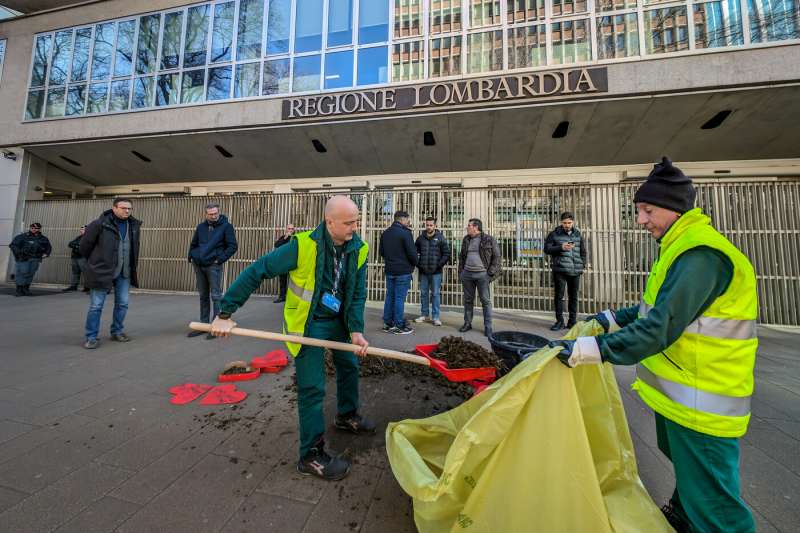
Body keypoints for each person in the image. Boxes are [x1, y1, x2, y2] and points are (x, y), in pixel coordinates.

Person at [548, 158, 757, 533]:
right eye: (638, 211)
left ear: (675, 209)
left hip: (702, 403)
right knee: (695, 483)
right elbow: (652, 308)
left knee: (717, 507)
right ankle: (684, 516)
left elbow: (661, 327)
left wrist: (591, 351)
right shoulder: (678, 247)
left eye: (647, 211)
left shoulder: (701, 256)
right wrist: (609, 319)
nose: (641, 220)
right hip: (686, 396)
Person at [211, 196, 374, 481]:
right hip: (308, 325)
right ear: (329, 221)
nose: (355, 227)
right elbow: (257, 270)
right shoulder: (301, 246)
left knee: (349, 365)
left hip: (339, 322)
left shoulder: (359, 249)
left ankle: (346, 415)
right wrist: (225, 313)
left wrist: (356, 330)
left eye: (356, 221)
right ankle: (310, 455)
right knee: (312, 388)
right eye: (349, 222)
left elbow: (357, 293)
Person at [80, 198, 142, 350]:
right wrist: (95, 263)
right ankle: (91, 337)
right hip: (102, 271)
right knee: (96, 306)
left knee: (122, 304)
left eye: (129, 208)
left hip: (124, 272)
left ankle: (117, 331)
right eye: (123, 208)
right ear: (114, 208)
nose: (127, 211)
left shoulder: (133, 225)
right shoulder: (99, 224)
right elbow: (84, 247)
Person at [187, 203, 238, 339]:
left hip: (213, 265)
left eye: (216, 213)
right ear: (206, 214)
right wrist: (192, 256)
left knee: (216, 296)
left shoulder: (226, 227)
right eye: (211, 214)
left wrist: (219, 260)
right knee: (203, 295)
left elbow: (233, 246)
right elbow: (194, 243)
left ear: (219, 212)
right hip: (199, 265)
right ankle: (204, 325)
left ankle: (216, 327)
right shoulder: (201, 227)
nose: (214, 216)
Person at [458, 218, 502, 337]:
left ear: (476, 227)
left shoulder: (488, 239)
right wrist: (461, 272)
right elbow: (461, 256)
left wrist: (489, 274)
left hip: (482, 275)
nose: (467, 227)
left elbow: (497, 257)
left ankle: (488, 327)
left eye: (469, 225)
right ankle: (467, 323)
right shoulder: (466, 239)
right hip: (467, 274)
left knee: (485, 301)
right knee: (468, 300)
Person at [544, 211, 587, 331]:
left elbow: (583, 252)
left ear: (573, 222)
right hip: (560, 270)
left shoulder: (577, 234)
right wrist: (561, 247)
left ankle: (572, 322)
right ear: (561, 222)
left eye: (569, 222)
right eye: (564, 223)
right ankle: (559, 322)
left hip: (575, 270)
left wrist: (582, 265)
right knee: (559, 296)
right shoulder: (554, 234)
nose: (567, 225)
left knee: (573, 297)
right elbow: (547, 249)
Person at [378, 210, 418, 334]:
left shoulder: (385, 233)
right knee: (399, 298)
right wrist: (415, 262)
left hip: (390, 270)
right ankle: (399, 325)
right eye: (407, 219)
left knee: (390, 296)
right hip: (403, 271)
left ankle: (387, 323)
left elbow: (381, 252)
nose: (408, 222)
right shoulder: (405, 233)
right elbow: (412, 253)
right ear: (402, 220)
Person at [414, 217, 450, 326]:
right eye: (427, 225)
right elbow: (415, 253)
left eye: (431, 225)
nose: (429, 227)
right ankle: (424, 315)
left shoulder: (440, 238)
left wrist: (439, 265)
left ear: (435, 226)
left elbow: (446, 253)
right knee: (424, 294)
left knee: (435, 294)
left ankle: (435, 317)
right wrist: (419, 265)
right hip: (424, 272)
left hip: (436, 272)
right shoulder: (420, 238)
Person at [9, 222, 51, 296]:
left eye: (36, 228)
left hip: (35, 258)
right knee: (23, 273)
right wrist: (19, 254)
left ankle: (26, 289)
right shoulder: (22, 236)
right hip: (24, 259)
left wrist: (46, 254)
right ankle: (19, 289)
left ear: (39, 229)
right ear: (30, 228)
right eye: (32, 228)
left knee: (31, 273)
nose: (34, 229)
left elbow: (48, 247)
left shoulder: (43, 238)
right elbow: (13, 245)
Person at [273, 223, 295, 303]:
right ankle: (282, 296)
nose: (290, 230)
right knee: (282, 280)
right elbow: (276, 245)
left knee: (294, 280)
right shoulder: (283, 237)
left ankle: (293, 298)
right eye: (289, 228)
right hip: (283, 262)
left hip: (293, 262)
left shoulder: (296, 238)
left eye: (292, 229)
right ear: (286, 229)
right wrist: (285, 238)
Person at [63, 226, 87, 292]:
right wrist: (77, 246)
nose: (81, 230)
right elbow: (70, 244)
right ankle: (74, 286)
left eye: (83, 229)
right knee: (75, 272)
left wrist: (76, 246)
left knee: (86, 273)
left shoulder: (89, 237)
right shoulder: (78, 237)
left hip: (83, 257)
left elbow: (85, 246)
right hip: (75, 257)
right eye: (81, 229)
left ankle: (87, 287)